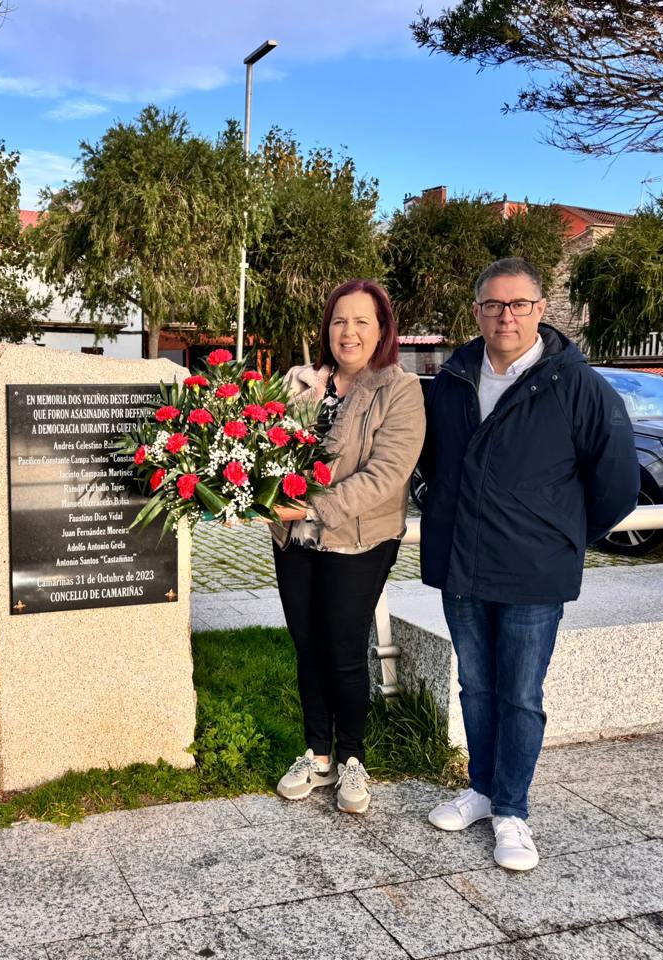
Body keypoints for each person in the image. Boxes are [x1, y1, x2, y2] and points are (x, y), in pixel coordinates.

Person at [420, 257, 638, 871]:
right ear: (477, 312)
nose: (505, 316)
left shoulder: (577, 385)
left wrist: (562, 535)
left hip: (533, 574)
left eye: (518, 305)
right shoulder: (454, 379)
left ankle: (513, 810)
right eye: (493, 304)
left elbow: (617, 484)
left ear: (541, 311)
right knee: (476, 685)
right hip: (463, 565)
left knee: (520, 694)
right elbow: (435, 465)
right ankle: (483, 790)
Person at [269, 279, 425, 814]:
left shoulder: (399, 390)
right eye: (339, 321)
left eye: (362, 321)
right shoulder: (300, 383)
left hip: (359, 539)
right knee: (306, 642)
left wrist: (312, 507)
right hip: (294, 537)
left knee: (341, 647)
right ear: (326, 329)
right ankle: (317, 754)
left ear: (382, 328)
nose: (349, 332)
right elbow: (266, 447)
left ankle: (353, 757)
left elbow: (386, 475)